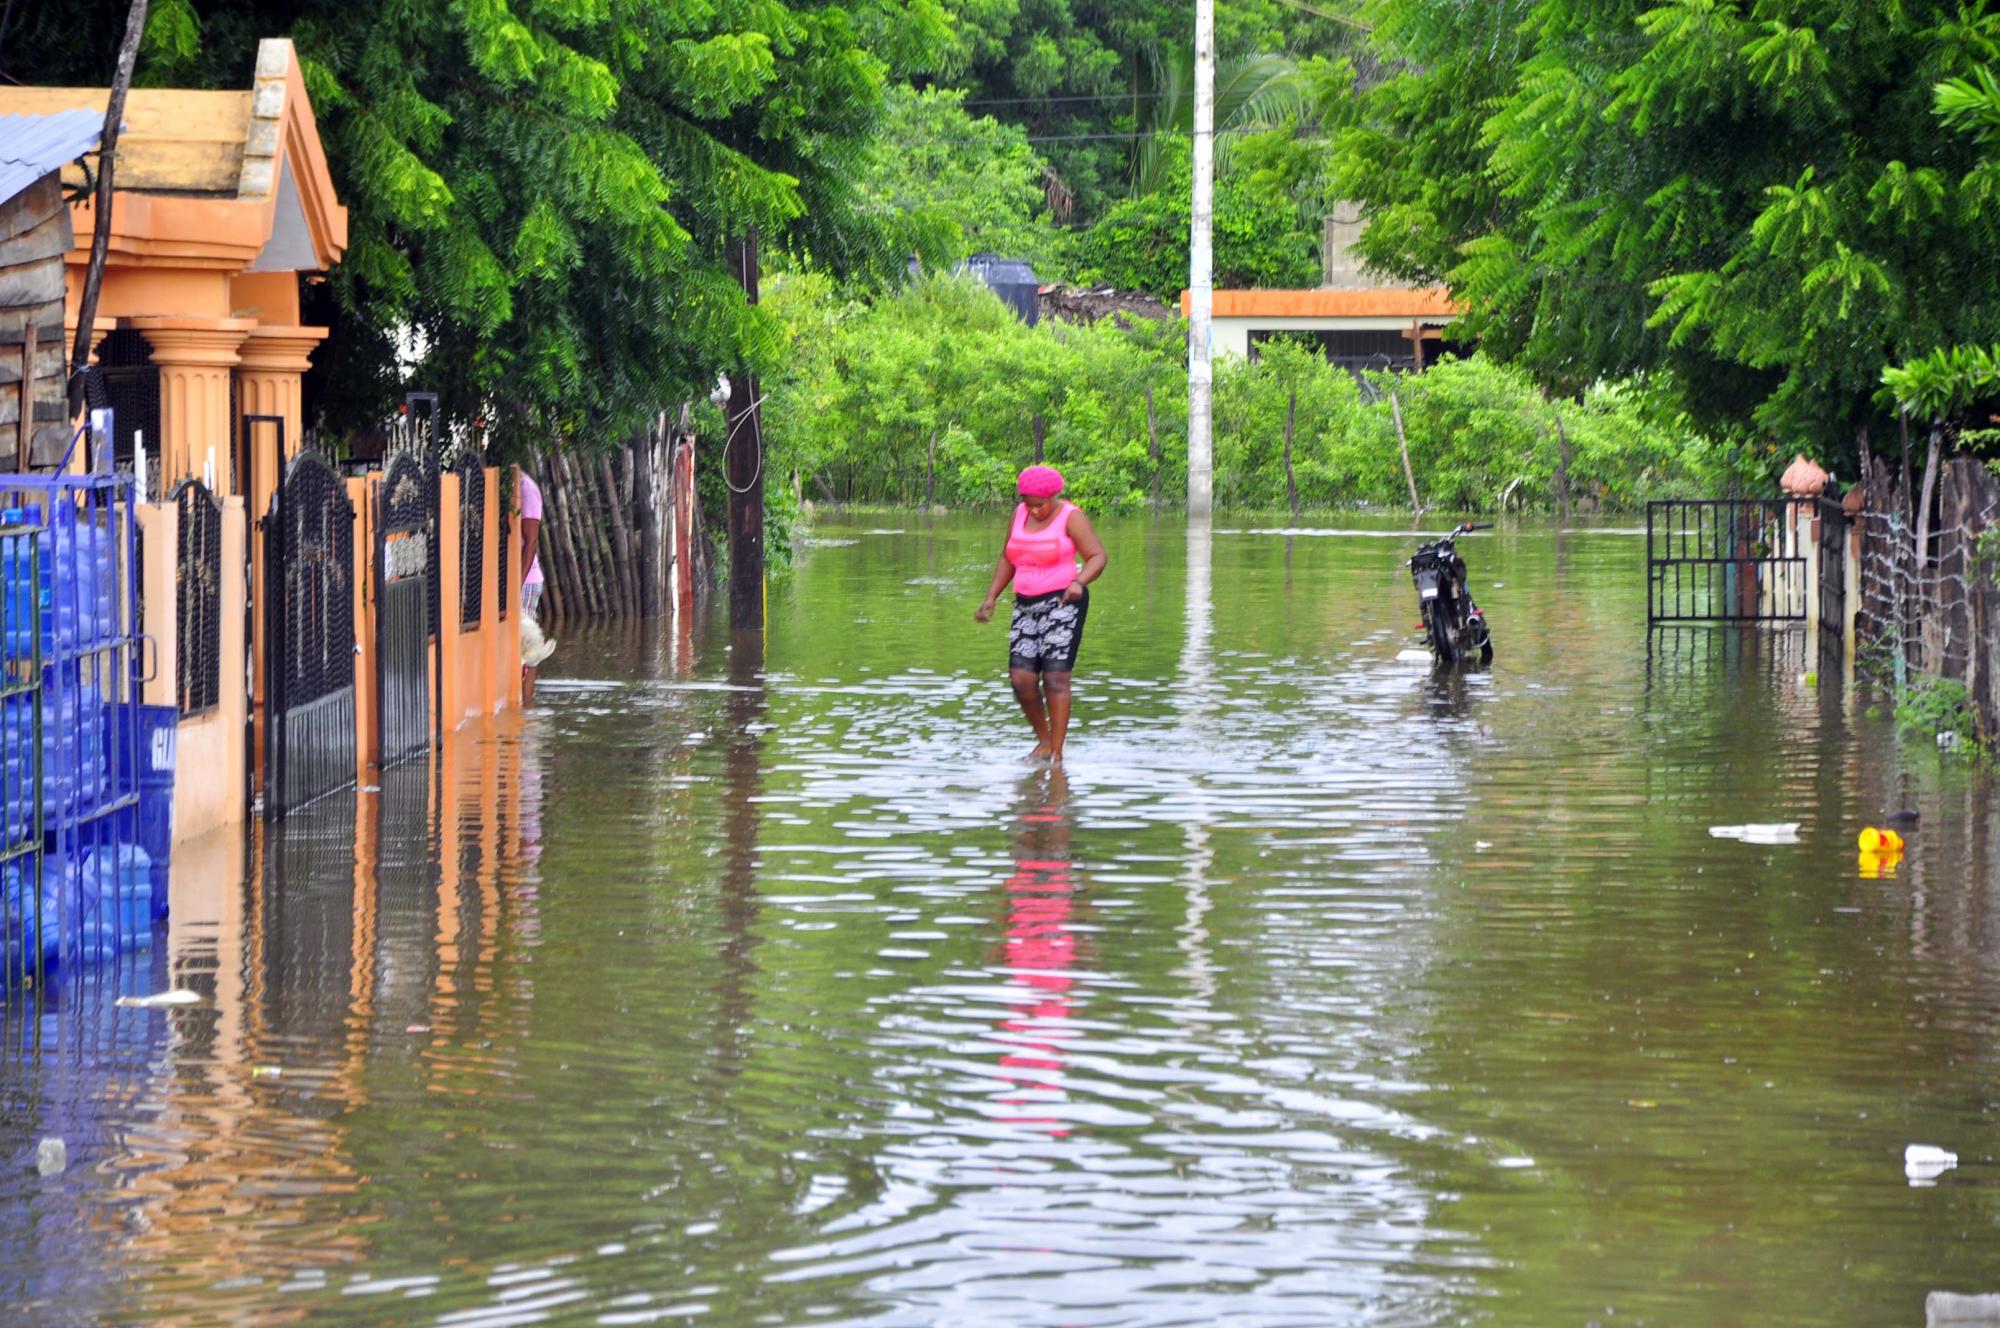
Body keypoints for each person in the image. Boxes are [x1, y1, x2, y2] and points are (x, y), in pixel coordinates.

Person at [974, 465, 1106, 763]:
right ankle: (1044, 741)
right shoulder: (1020, 514)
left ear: (1054, 496)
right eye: (1027, 503)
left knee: (1055, 678)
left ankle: (1057, 755)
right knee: (1021, 678)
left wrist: (1079, 581)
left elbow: (1098, 556)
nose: (1033, 510)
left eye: (1039, 504)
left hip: (1063, 602)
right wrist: (991, 597)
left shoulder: (1071, 516)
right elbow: (1008, 556)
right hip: (1025, 604)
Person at [517, 466, 555, 704]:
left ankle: (527, 700)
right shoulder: (511, 488)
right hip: (515, 578)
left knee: (527, 645)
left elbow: (531, 542)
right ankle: (524, 699)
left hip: (526, 579)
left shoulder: (527, 490)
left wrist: (517, 585)